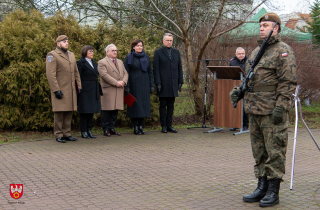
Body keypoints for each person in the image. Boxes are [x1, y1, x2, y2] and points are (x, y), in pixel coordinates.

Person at [230, 13, 297, 207]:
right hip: (255, 110)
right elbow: (250, 78)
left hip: (271, 110)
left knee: (275, 150)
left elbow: (288, 82)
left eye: (266, 25)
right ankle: (261, 186)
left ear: (276, 28)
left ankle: (273, 191)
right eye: (260, 25)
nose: (261, 28)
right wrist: (239, 90)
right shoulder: (256, 51)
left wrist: (282, 107)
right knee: (259, 151)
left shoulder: (283, 51)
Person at [46, 35, 81, 143]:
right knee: (59, 113)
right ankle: (58, 134)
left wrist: (79, 86)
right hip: (60, 89)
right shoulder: (52, 55)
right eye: (64, 41)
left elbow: (76, 72)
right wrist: (56, 89)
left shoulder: (71, 55)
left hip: (71, 89)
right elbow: (50, 74)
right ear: (58, 44)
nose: (67, 43)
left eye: (67, 41)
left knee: (68, 112)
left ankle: (67, 133)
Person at [153, 33, 183, 133]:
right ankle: (163, 126)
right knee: (163, 105)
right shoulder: (158, 52)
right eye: (167, 40)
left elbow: (179, 68)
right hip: (163, 83)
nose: (169, 42)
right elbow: (156, 69)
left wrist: (180, 81)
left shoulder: (176, 52)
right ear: (163, 41)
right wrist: (158, 83)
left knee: (171, 105)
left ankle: (169, 125)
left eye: (170, 40)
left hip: (173, 83)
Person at [124, 39, 154, 135]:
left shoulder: (146, 57)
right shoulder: (129, 57)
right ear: (133, 47)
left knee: (143, 106)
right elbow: (126, 73)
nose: (140, 47)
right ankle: (135, 127)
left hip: (144, 84)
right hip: (133, 84)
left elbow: (150, 72)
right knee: (134, 105)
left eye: (141, 46)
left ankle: (141, 126)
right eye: (137, 46)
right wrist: (127, 85)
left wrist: (151, 85)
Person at [98, 44, 128, 137]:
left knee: (115, 110)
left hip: (118, 89)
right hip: (109, 89)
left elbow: (125, 73)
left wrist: (124, 81)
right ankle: (106, 129)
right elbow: (104, 75)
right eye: (113, 50)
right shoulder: (102, 62)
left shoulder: (119, 61)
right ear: (107, 52)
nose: (115, 52)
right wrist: (116, 82)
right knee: (107, 110)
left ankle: (112, 128)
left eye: (116, 50)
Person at [77, 45, 102, 138]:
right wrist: (79, 89)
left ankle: (89, 129)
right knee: (84, 111)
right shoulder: (80, 63)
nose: (92, 53)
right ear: (85, 52)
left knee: (91, 110)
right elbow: (77, 76)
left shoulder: (94, 62)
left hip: (93, 89)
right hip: (85, 90)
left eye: (92, 51)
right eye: (90, 51)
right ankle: (83, 131)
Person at [229, 47, 249, 131]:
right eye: (239, 54)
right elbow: (229, 73)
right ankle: (235, 124)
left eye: (243, 53)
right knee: (235, 105)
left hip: (245, 86)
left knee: (244, 106)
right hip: (235, 85)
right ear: (236, 54)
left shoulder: (248, 61)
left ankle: (245, 125)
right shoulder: (232, 62)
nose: (241, 55)